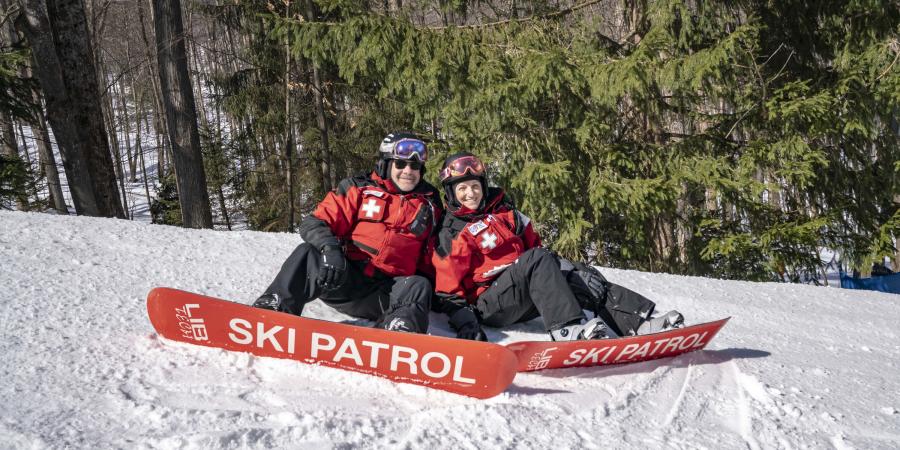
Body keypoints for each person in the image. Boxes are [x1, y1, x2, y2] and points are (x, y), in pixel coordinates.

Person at [431, 152, 684, 342]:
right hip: (489, 304)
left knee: (579, 274)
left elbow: (535, 248)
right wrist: (466, 323)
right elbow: (446, 290)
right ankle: (566, 329)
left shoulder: (506, 212)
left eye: (475, 186)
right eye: (462, 189)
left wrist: (566, 270)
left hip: (522, 290)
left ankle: (638, 323)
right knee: (539, 259)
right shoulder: (451, 231)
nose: (470, 193)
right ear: (451, 193)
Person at [253, 132, 442, 333]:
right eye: (401, 164)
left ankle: (400, 330)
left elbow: (440, 255)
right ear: (386, 164)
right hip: (342, 278)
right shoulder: (358, 188)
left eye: (415, 166)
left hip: (386, 293)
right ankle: (274, 309)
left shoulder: (430, 204)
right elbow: (315, 222)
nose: (408, 171)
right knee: (308, 253)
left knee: (418, 284)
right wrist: (330, 248)